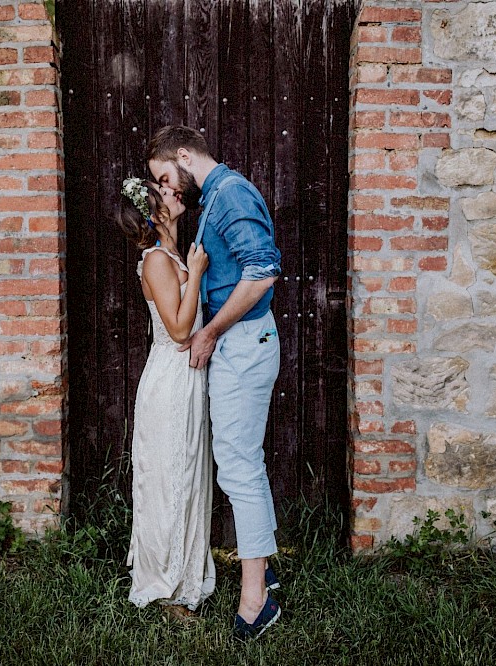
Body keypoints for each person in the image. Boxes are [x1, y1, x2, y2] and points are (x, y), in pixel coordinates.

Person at [147, 125, 283, 640]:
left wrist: (209, 332)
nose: (169, 188)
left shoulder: (231, 193)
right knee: (243, 461)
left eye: (166, 175)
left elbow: (264, 272)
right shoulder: (216, 199)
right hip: (236, 345)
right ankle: (263, 570)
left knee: (240, 467)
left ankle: (257, 601)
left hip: (243, 344)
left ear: (183, 155)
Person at [116, 176, 216, 618]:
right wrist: (195, 274)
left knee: (190, 475)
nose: (175, 191)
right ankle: (166, 587)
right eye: (163, 189)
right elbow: (178, 330)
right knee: (168, 479)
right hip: (170, 379)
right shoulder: (157, 260)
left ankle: (187, 576)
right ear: (154, 211)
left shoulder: (175, 253)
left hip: (188, 378)